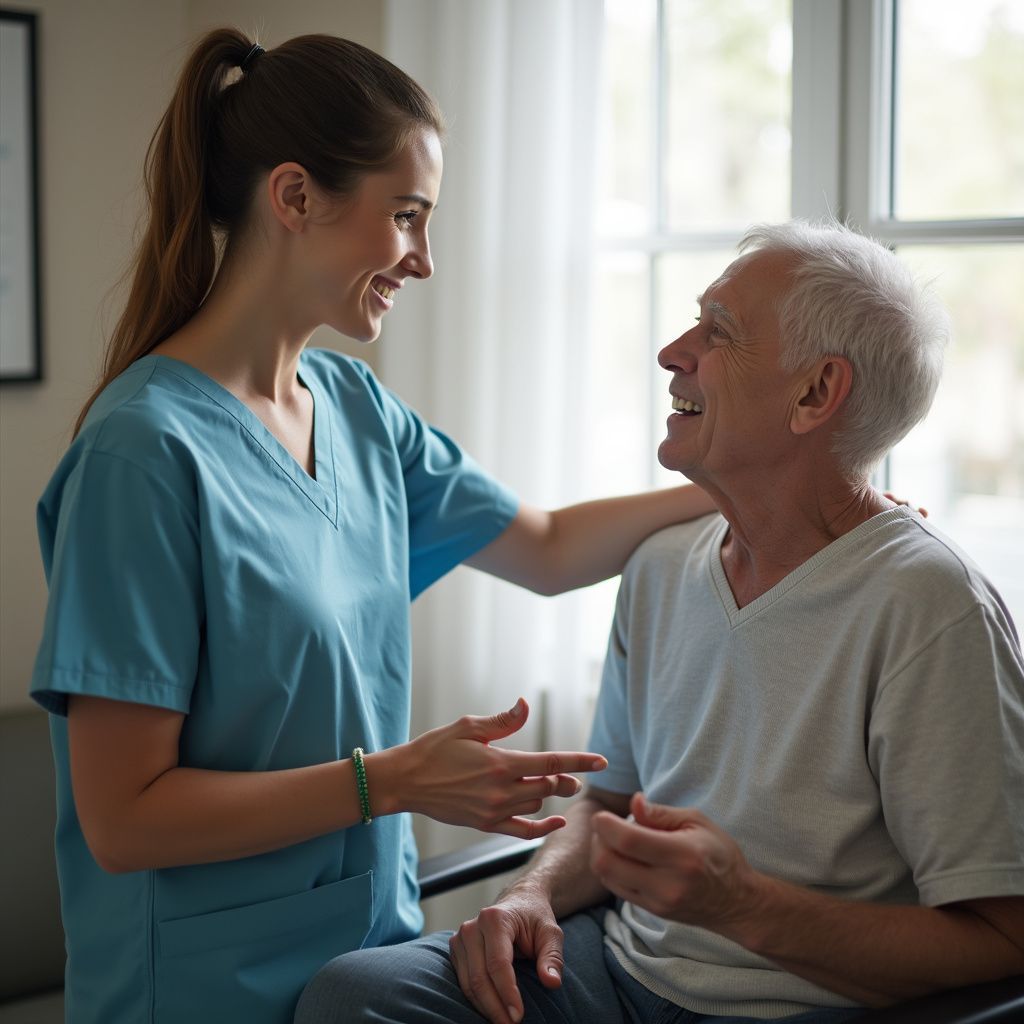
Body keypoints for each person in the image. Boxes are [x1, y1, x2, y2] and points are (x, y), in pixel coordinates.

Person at [28, 29, 723, 1024]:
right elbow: (124, 819)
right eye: (406, 216)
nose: (425, 259)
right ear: (296, 196)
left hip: (364, 969)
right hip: (196, 989)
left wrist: (764, 479)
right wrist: (390, 781)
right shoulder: (142, 455)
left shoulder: (355, 409)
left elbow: (549, 545)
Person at [297, 220, 1024, 1024]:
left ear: (816, 393)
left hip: (805, 1007)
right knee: (354, 999)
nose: (673, 350)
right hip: (614, 968)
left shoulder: (931, 606)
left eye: (720, 332)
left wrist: (747, 907)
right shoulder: (660, 566)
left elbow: (1003, 938)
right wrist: (531, 894)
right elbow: (607, 809)